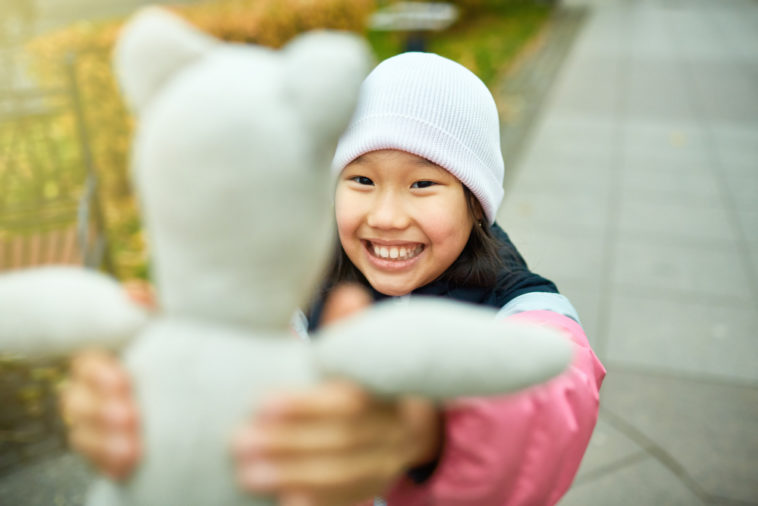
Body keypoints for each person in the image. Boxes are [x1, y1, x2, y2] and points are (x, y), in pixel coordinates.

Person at [61, 52, 605, 506]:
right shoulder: (294, 291)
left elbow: (559, 393)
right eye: (362, 179)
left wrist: (426, 429)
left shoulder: (521, 306)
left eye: (423, 185)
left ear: (476, 202)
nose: (387, 215)